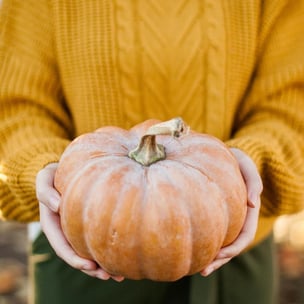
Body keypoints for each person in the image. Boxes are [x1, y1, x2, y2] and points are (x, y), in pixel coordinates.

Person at [0, 0, 304, 303]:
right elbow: (17, 105)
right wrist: (43, 165)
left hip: (230, 251)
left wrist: (247, 165)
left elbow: (292, 98)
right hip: (83, 248)